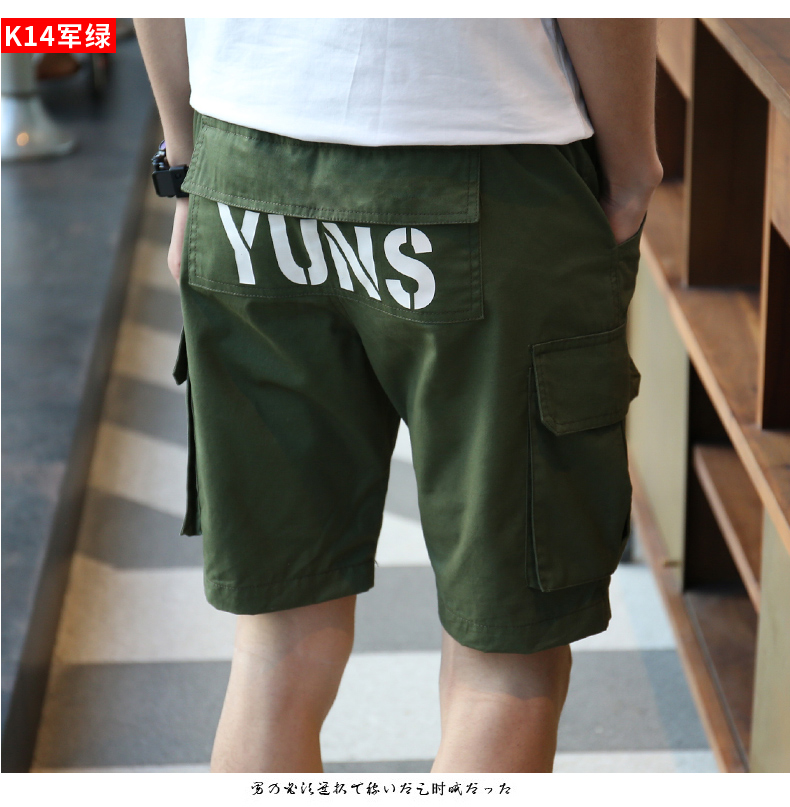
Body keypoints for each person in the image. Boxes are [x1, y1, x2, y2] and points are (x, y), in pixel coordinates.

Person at [133, 18, 662, 773]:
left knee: (276, 646)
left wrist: (185, 165)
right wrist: (633, 164)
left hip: (246, 170)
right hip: (494, 149)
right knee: (506, 665)